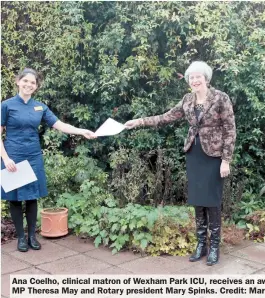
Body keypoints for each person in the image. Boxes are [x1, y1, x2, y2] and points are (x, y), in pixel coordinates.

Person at [124, 61, 236, 266]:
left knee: (212, 201)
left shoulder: (221, 98)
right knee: (198, 200)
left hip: (214, 156)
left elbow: (230, 129)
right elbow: (166, 117)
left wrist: (226, 160)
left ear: (206, 78)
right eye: (191, 77)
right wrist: (139, 122)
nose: (194, 80)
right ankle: (201, 244)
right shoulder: (187, 100)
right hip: (194, 154)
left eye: (197, 76)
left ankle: (214, 247)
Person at [1, 68, 97, 252]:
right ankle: (20, 238)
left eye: (33, 83)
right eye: (26, 81)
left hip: (34, 156)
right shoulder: (6, 105)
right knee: (14, 199)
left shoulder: (40, 107)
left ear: (36, 87)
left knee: (32, 197)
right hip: (13, 156)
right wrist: (5, 159)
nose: (29, 85)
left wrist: (81, 131)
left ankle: (31, 236)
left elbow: (59, 124)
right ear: (18, 82)